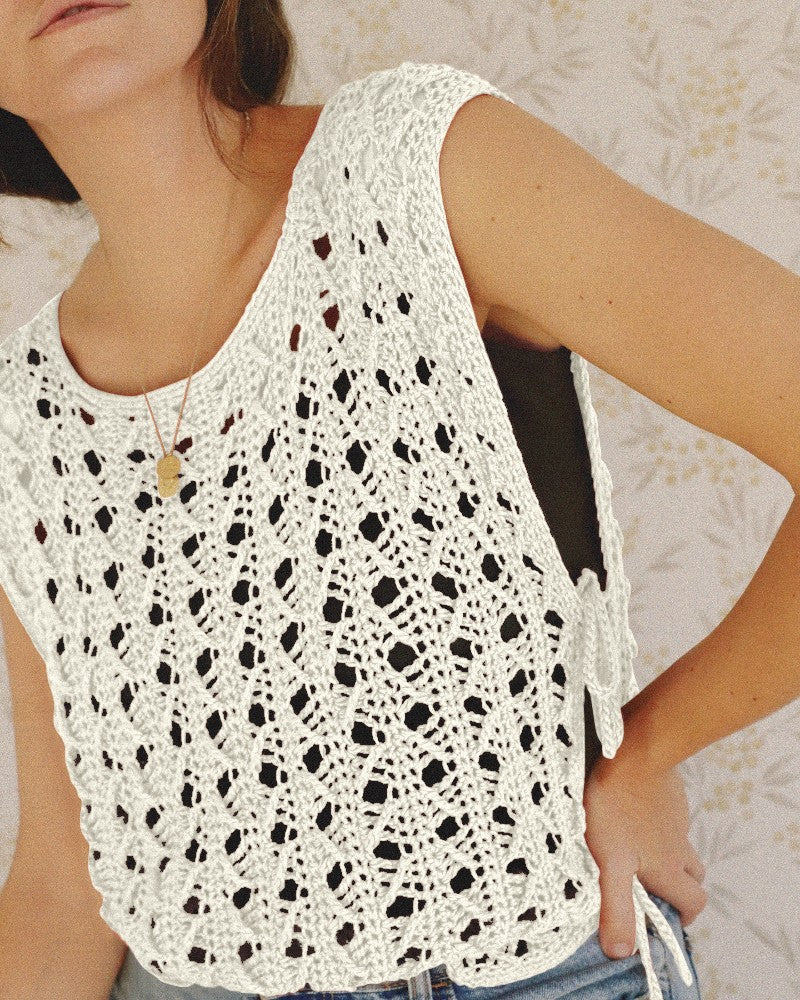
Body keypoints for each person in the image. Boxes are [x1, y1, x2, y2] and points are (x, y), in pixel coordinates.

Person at [1, 2, 799, 1000]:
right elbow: (67, 880)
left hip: (537, 969)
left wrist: (645, 752)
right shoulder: (26, 419)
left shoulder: (418, 170)